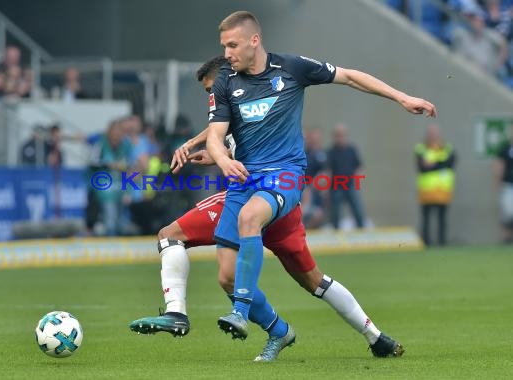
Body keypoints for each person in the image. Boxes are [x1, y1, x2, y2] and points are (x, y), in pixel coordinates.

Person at [129, 55, 405, 362]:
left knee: (310, 280)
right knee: (302, 280)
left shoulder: (263, 87)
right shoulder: (235, 101)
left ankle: (363, 334)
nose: (212, 96)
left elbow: (234, 132)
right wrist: (210, 150)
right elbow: (225, 131)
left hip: (265, 199)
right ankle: (365, 336)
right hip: (267, 203)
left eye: (212, 88)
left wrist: (205, 146)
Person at [205, 11, 436, 348]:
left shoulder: (292, 68)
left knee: (249, 217)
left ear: (255, 40)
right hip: (243, 179)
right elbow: (215, 134)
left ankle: (239, 312)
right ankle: (280, 330)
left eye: (232, 45)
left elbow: (350, 77)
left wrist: (402, 98)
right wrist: (222, 157)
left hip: (284, 174)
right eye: (224, 46)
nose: (226, 53)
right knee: (226, 276)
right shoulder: (226, 80)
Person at [415, 124, 456, 246]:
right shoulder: (421, 148)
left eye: (435, 133)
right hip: (427, 191)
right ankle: (426, 243)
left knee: (442, 219)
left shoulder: (447, 147)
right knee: (426, 219)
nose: (433, 135)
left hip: (443, 191)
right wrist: (441, 164)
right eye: (431, 133)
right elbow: (422, 167)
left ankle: (442, 243)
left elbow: (451, 162)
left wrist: (432, 164)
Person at [327, 123, 366, 230]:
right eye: (337, 135)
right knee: (336, 213)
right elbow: (328, 170)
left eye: (342, 135)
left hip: (350, 185)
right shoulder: (331, 152)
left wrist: (358, 181)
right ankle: (336, 232)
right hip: (336, 186)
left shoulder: (351, 150)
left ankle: (362, 230)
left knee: (358, 210)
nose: (340, 137)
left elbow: (359, 166)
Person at [494, 124, 513, 244]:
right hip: (508, 185)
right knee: (508, 212)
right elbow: (499, 166)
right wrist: (498, 183)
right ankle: (507, 238)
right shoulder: (505, 148)